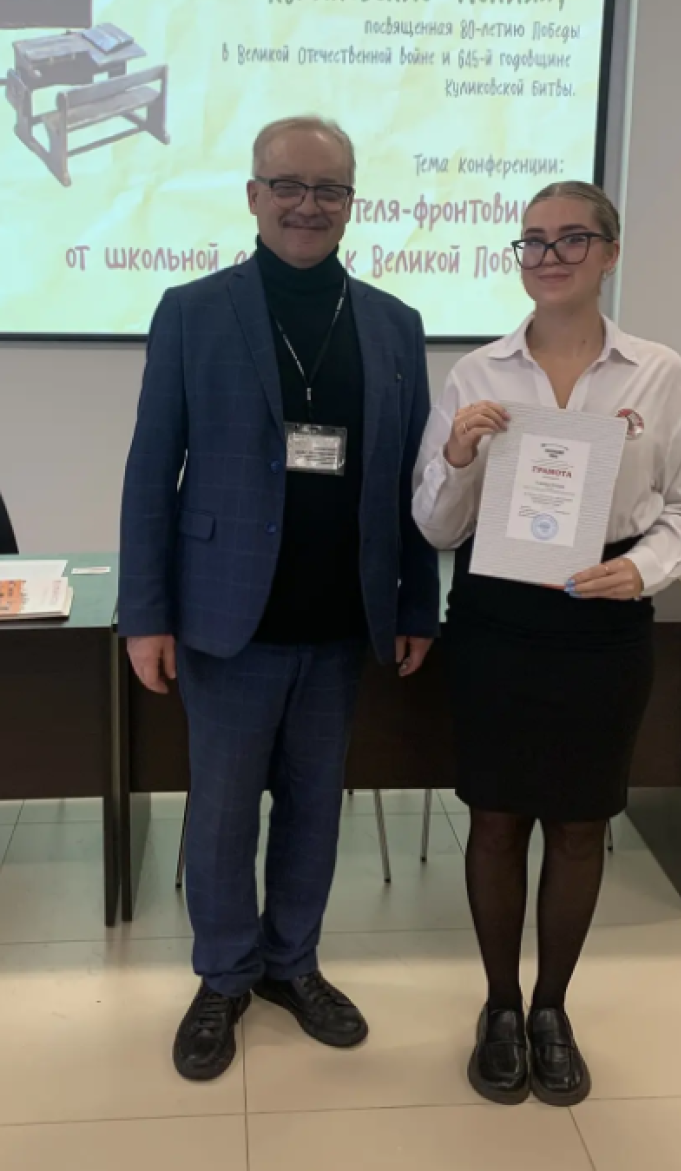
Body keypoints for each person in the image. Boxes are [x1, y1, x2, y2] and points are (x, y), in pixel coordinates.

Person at [119, 115, 439, 1083]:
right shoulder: (192, 310)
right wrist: (146, 613)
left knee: (313, 806)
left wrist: (416, 605)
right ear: (253, 195)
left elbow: (410, 480)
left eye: (329, 188)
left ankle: (291, 963)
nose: (308, 204)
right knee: (221, 814)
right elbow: (150, 471)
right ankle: (223, 975)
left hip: (343, 619)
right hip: (227, 618)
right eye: (289, 185)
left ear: (351, 202)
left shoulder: (393, 323)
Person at [412, 181, 681, 1107]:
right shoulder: (477, 373)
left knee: (581, 822)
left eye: (572, 238)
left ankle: (552, 1008)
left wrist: (645, 568)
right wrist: (457, 457)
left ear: (610, 253)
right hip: (498, 621)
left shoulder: (659, 374)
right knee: (497, 817)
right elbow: (433, 524)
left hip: (602, 622)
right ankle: (500, 1007)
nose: (550, 256)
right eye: (534, 240)